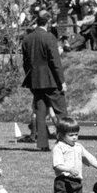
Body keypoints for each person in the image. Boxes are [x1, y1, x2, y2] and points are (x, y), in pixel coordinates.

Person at [32, 117, 97, 193]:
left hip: (76, 182)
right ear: (61, 135)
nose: (74, 137)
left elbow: (91, 160)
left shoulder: (79, 147)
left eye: (76, 134)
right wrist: (69, 169)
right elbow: (57, 166)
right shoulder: (59, 148)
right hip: (63, 182)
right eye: (71, 135)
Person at [21, 10, 67, 151]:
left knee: (40, 113)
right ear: (48, 21)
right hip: (51, 80)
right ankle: (64, 142)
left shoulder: (27, 38)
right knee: (60, 112)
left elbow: (25, 62)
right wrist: (62, 81)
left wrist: (31, 77)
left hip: (35, 81)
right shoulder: (49, 37)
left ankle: (42, 144)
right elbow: (55, 61)